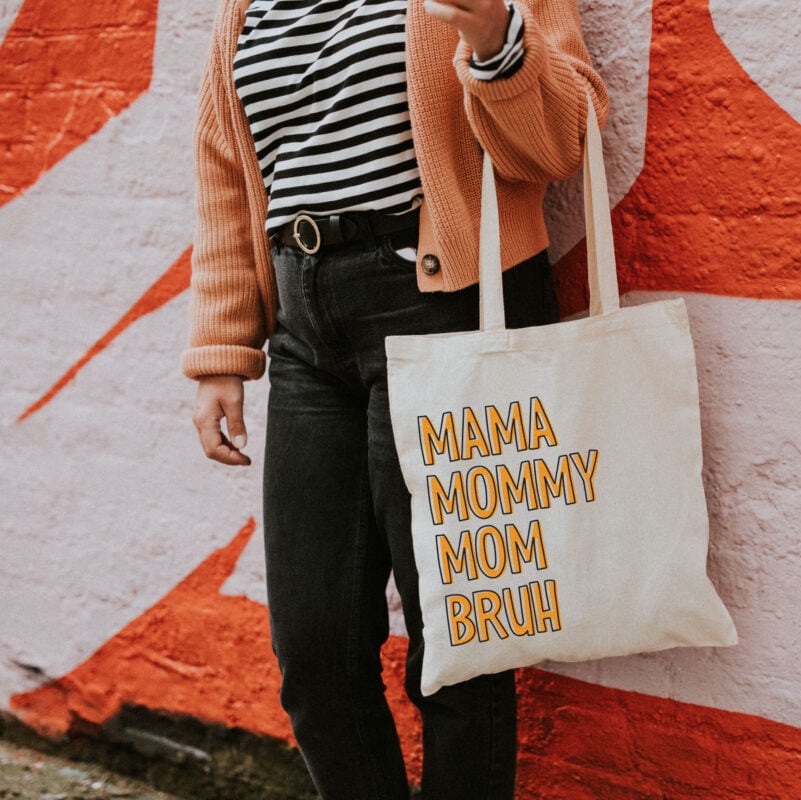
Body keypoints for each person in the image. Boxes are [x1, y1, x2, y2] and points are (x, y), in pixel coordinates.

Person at [182, 0, 608, 797]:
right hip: (305, 328)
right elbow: (225, 169)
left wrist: (495, 39)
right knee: (314, 654)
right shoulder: (244, 6)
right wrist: (221, 349)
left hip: (445, 307)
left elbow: (560, 142)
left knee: (457, 651)